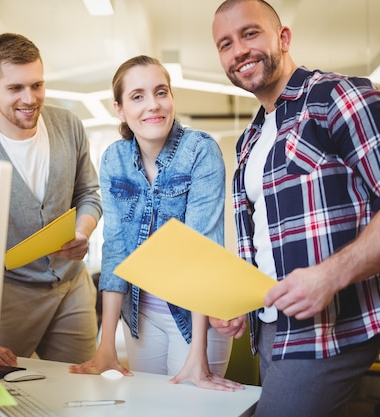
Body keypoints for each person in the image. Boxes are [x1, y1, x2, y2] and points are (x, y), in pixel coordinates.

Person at [209, 1, 380, 415]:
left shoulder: (337, 97)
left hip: (333, 328)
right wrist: (242, 302)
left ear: (283, 38)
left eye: (249, 34)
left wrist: (328, 276)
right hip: (271, 328)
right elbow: (270, 241)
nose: (238, 50)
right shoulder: (249, 141)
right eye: (225, 44)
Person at [68, 55, 242, 392]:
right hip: (142, 315)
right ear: (119, 108)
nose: (153, 105)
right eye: (138, 96)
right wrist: (106, 346)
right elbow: (116, 249)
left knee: (191, 406)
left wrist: (197, 352)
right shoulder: (115, 159)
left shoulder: (199, 150)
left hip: (196, 317)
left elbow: (201, 247)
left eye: (161, 92)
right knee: (148, 405)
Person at [0, 33, 102, 366]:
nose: (30, 99)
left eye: (37, 85)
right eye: (15, 88)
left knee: (79, 389)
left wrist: (82, 232)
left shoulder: (68, 125)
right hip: (6, 294)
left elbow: (88, 193)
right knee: (4, 394)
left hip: (72, 287)